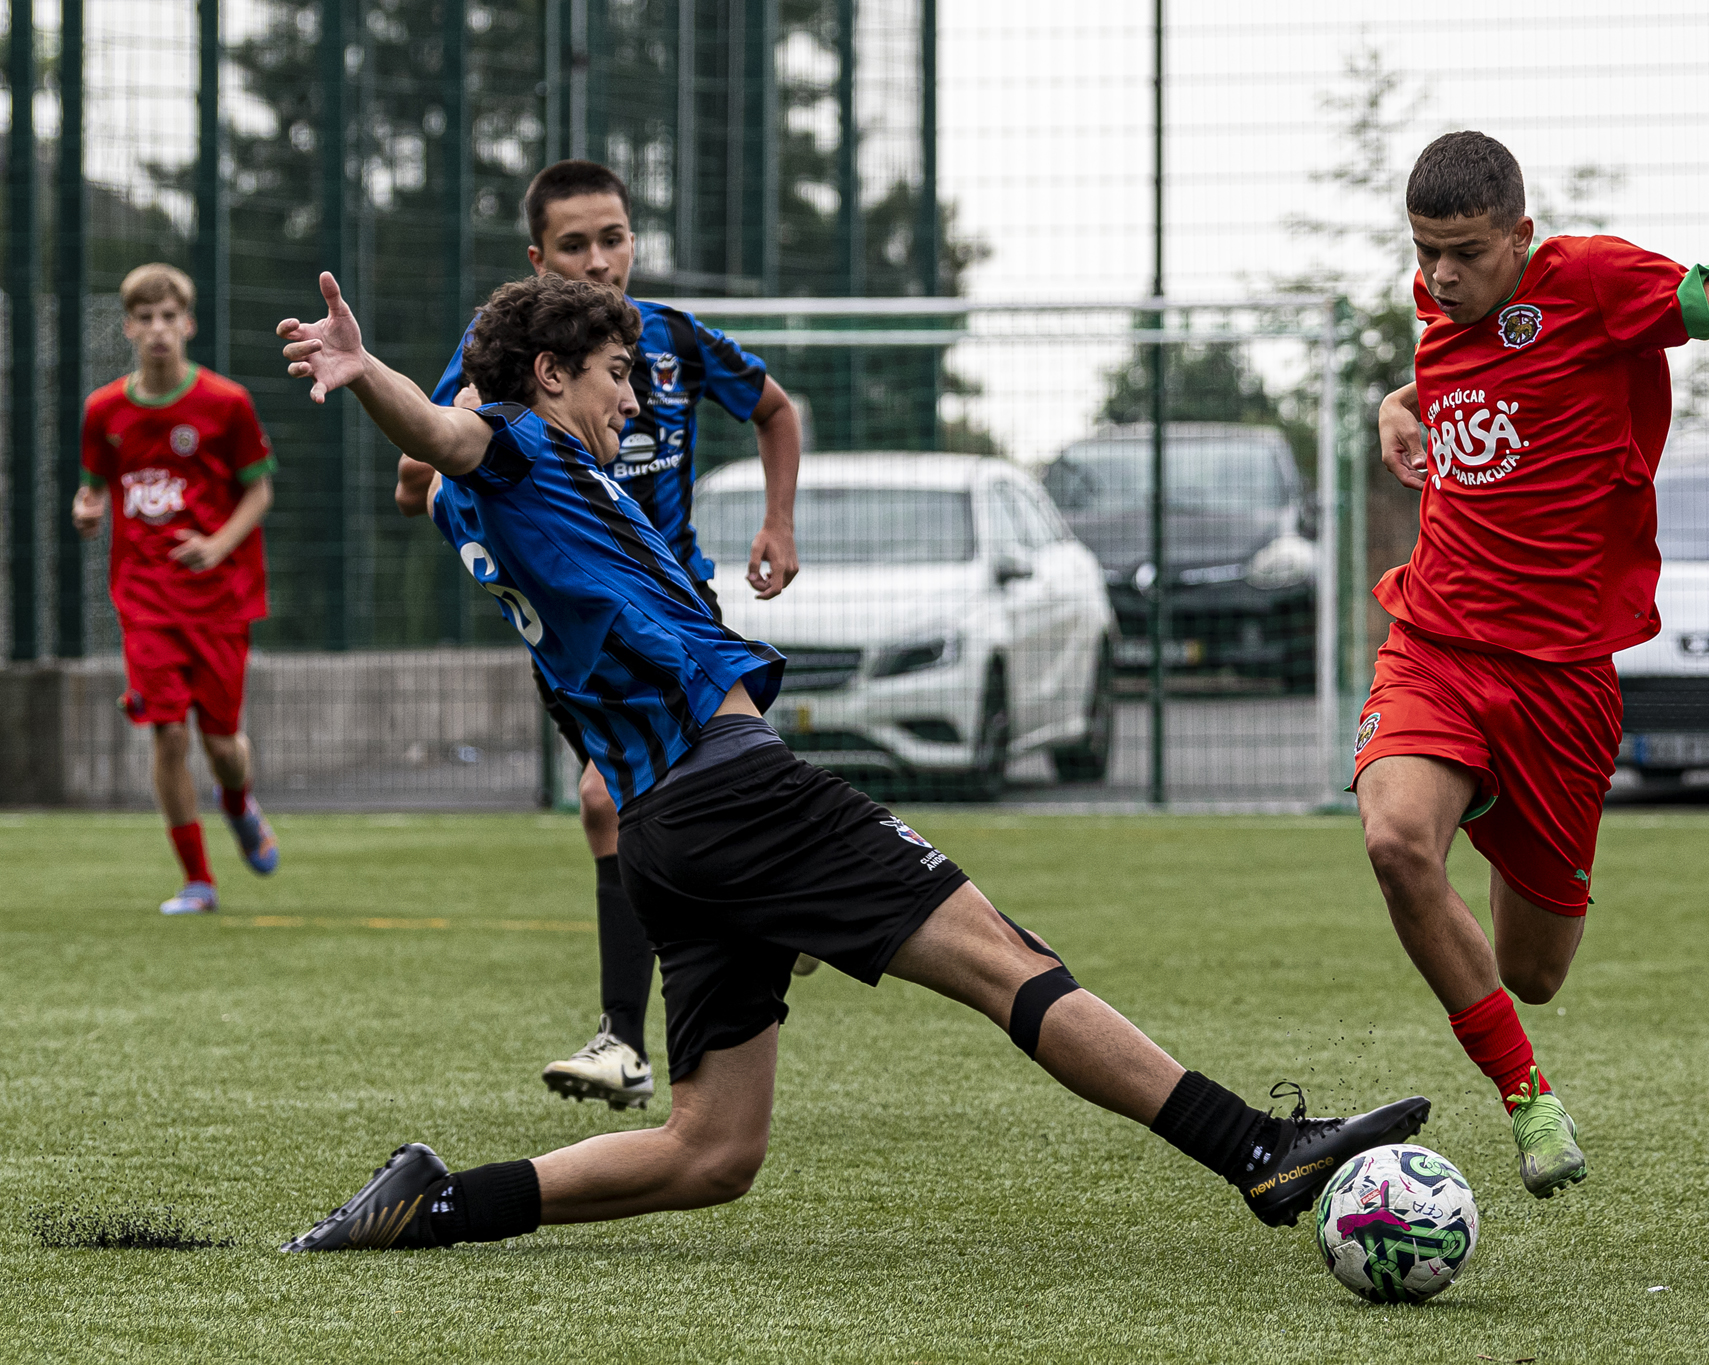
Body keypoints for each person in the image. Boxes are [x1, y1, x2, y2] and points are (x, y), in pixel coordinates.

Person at [272, 270, 1430, 1251]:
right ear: (548, 376)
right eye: (617, 375)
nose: (634, 397)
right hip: (728, 787)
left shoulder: (557, 487)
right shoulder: (520, 450)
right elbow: (446, 435)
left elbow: (452, 452)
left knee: (712, 1149)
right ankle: (1259, 1151)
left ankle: (439, 1203)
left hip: (668, 829)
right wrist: (367, 372)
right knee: (1001, 959)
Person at [1357, 131, 1709, 1199]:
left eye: (1465, 252)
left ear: (1520, 236)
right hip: (1434, 646)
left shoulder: (1596, 281)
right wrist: (1400, 402)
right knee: (1394, 842)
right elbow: (1460, 369)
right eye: (1424, 250)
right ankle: (1527, 1101)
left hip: (1560, 681)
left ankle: (1483, 796)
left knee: (1530, 971)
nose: (1438, 275)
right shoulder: (1443, 301)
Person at [428, 159, 804, 1111]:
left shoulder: (669, 339)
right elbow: (426, 459)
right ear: (538, 258)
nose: (600, 261)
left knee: (609, 798)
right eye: (575, 245)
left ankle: (624, 1039)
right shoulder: (502, 357)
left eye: (615, 238)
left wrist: (778, 523)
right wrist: (445, 456)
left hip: (674, 613)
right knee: (640, 814)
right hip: (576, 636)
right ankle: (764, 912)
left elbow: (774, 408)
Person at [72, 263, 282, 915]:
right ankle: (198, 878)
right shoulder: (104, 409)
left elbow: (259, 488)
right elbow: (93, 487)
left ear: (187, 325)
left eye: (170, 317)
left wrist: (217, 545)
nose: (159, 329)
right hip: (144, 598)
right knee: (167, 732)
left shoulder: (226, 403)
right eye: (146, 318)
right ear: (129, 327)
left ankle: (240, 802)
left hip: (220, 598)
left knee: (221, 743)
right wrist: (87, 511)